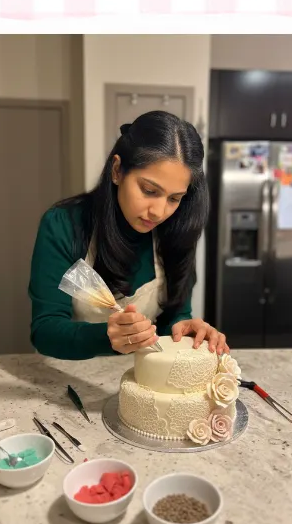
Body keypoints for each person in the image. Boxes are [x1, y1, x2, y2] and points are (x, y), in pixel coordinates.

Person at [27, 110, 229, 360]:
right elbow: (45, 330)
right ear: (117, 170)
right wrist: (106, 337)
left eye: (174, 198)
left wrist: (182, 328)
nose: (158, 212)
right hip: (69, 376)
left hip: (146, 372)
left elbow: (173, 315)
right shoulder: (64, 225)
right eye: (148, 190)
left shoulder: (176, 230)